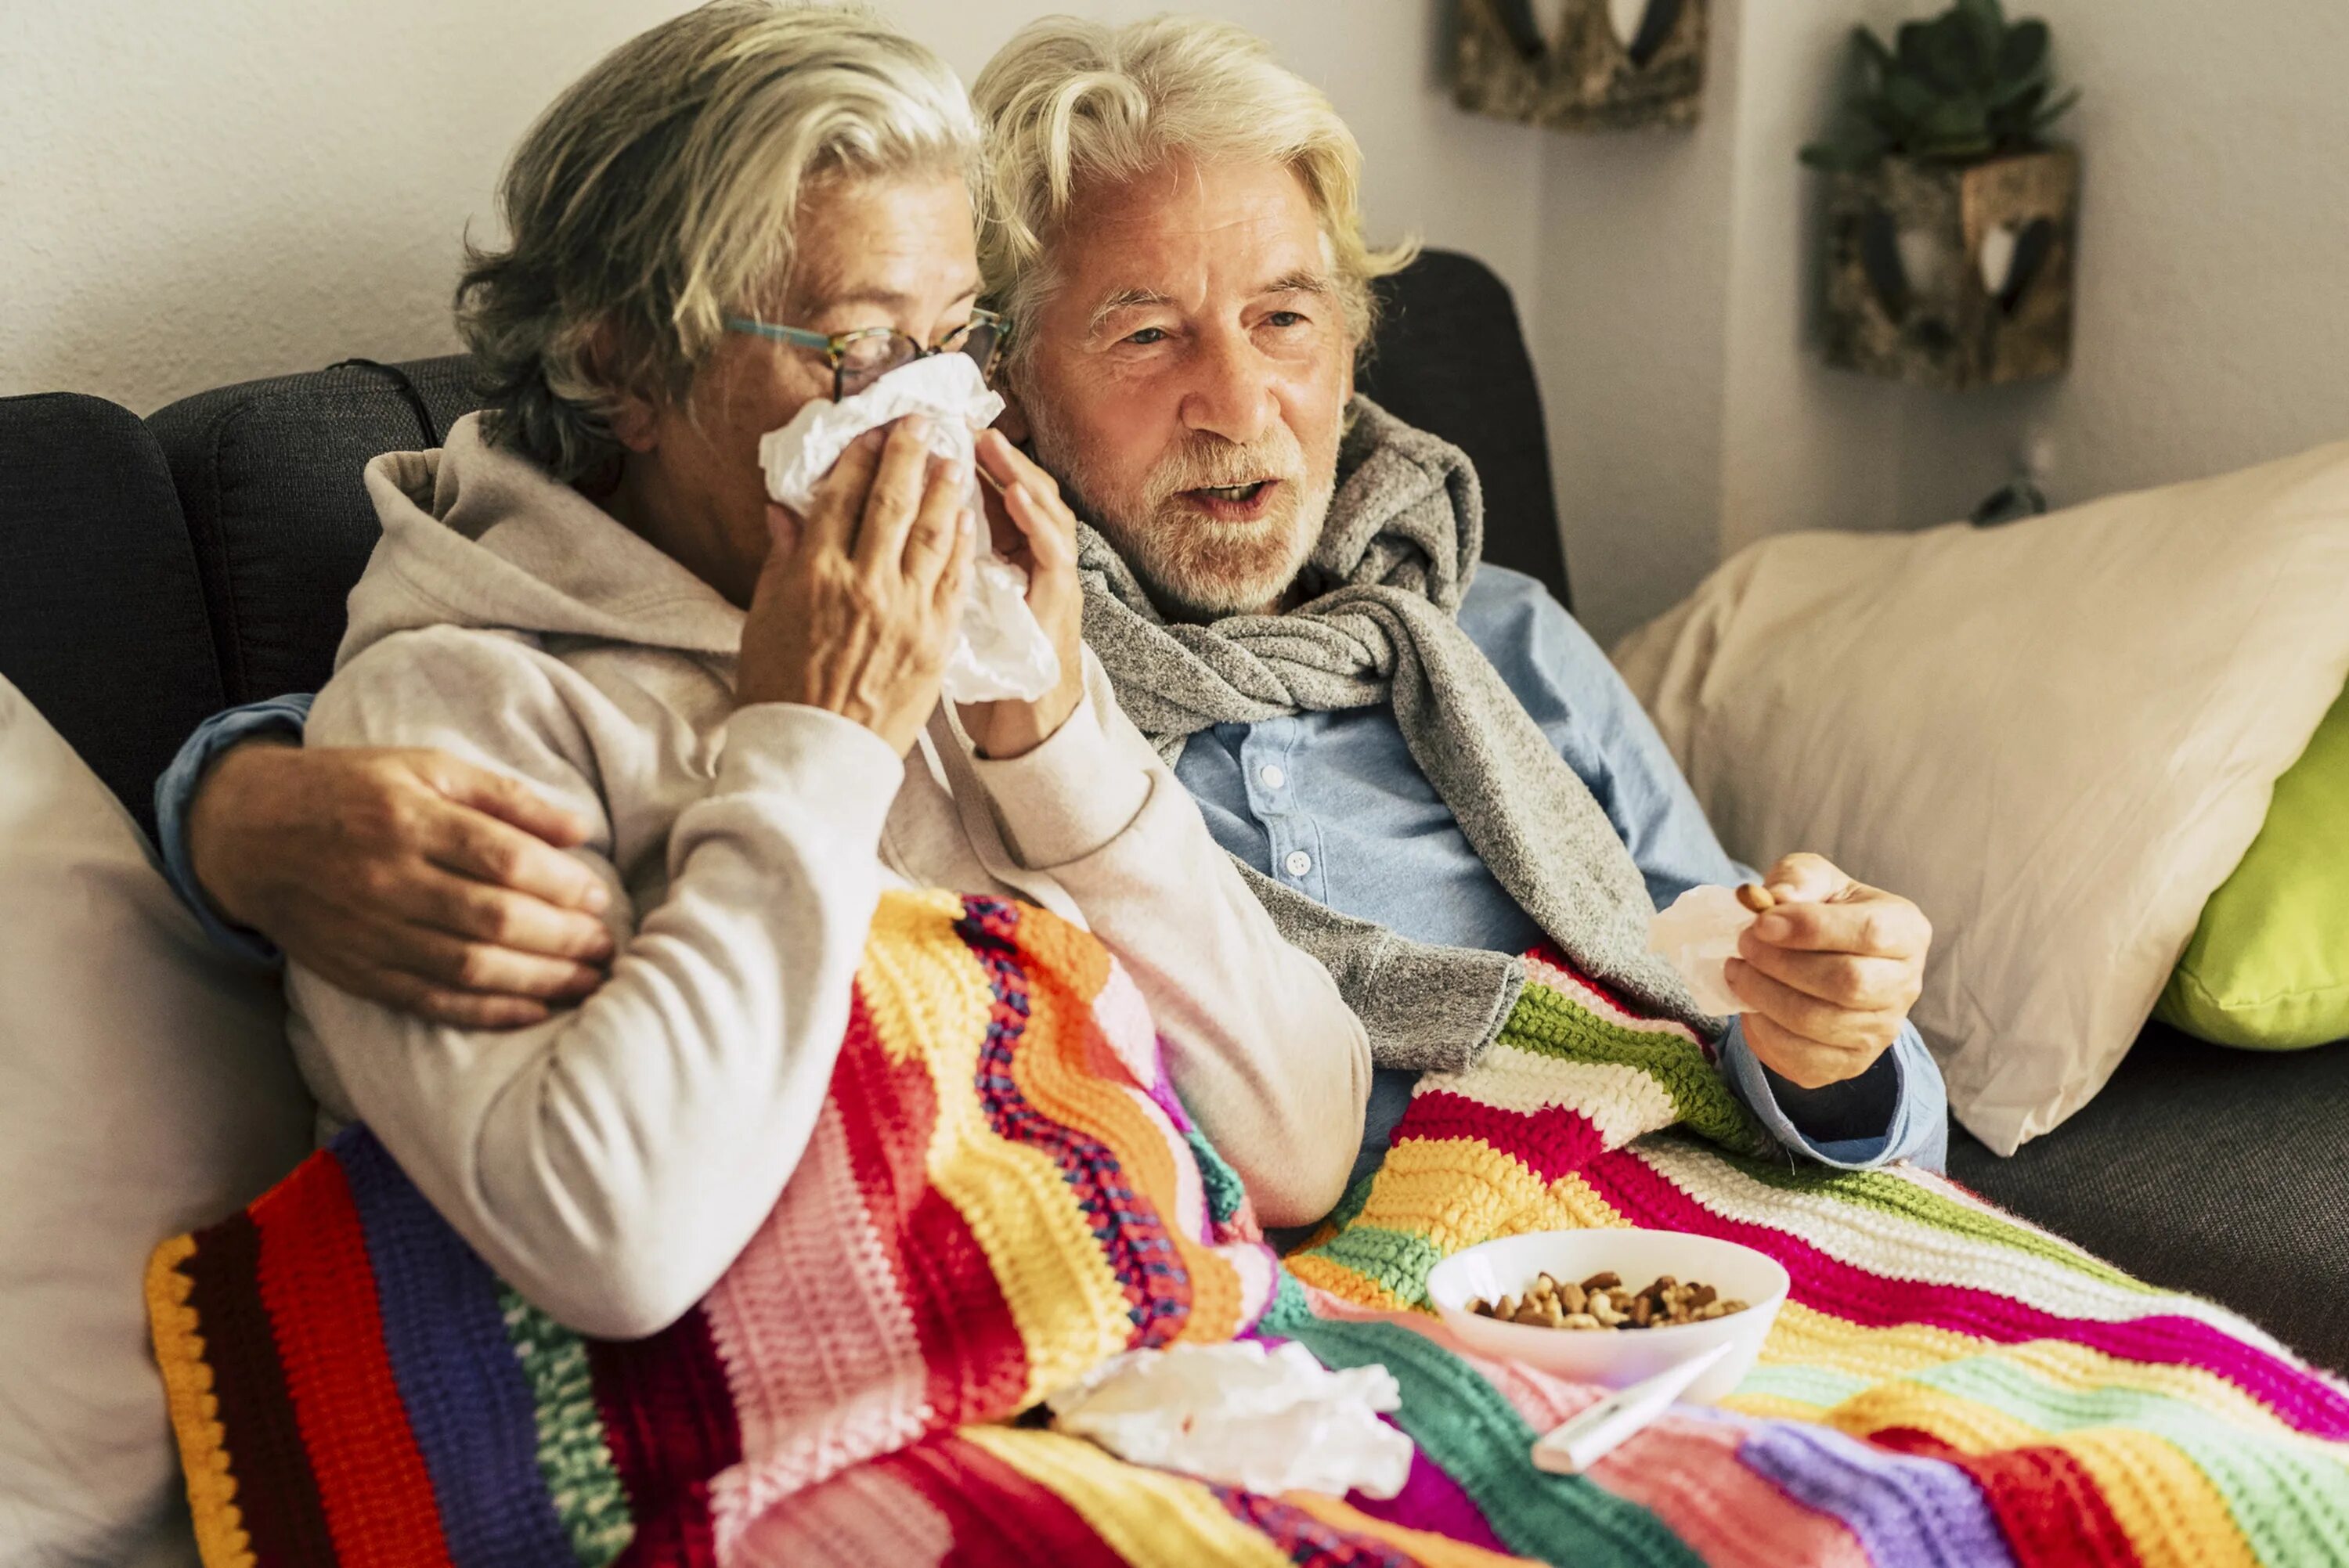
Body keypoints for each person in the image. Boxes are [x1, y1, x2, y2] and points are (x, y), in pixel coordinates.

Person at [161, 13, 1942, 1236]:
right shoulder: (919, 633)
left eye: (1289, 320)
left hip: (1667, 1225)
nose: (1242, 403)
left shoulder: (1496, 639)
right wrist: (226, 805)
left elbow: (1742, 1030)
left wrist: (1838, 1043)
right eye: (1148, 335)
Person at [163, 1, 1369, 1338]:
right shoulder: (454, 710)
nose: (920, 414)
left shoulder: (940, 625)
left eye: (951, 343)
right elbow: (615, 1249)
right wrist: (817, 745)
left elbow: (1302, 1145)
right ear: (620, 360)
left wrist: (1056, 744)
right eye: (858, 348)